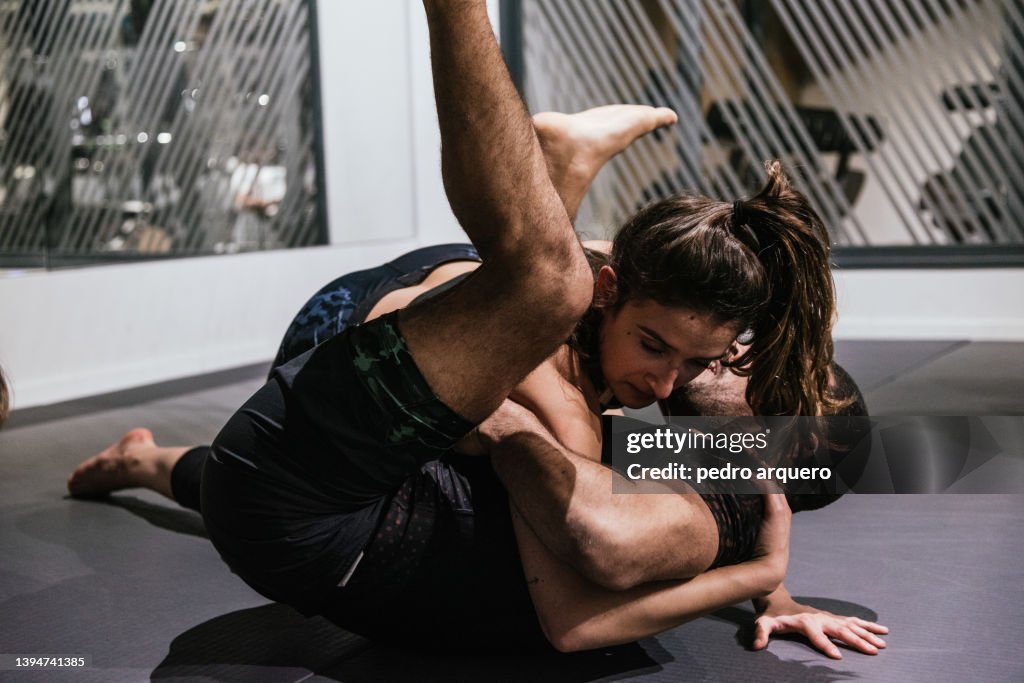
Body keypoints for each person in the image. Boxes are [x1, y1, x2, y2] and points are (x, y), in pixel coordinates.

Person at [68, 0, 886, 658]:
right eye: (740, 358)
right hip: (360, 335)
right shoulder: (630, 425)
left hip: (350, 414)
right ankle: (533, 131)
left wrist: (772, 583)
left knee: (551, 300)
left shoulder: (673, 456)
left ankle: (145, 459)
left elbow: (678, 521)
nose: (703, 374)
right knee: (553, 286)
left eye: (731, 367)